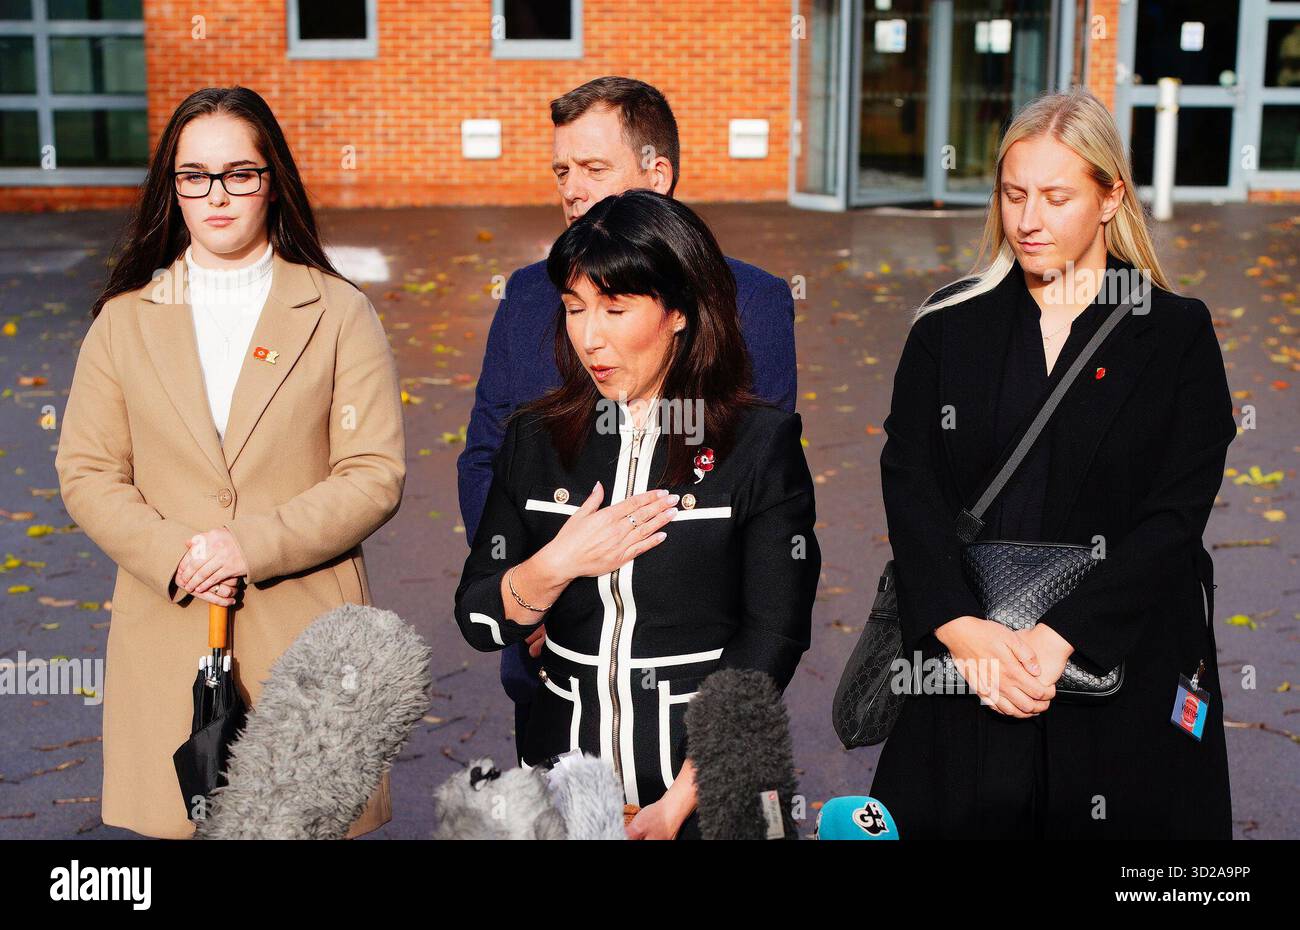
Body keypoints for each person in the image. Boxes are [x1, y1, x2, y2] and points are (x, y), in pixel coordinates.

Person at [870, 88, 1235, 839]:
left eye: (1056, 196)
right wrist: (958, 627)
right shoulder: (947, 329)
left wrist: (1061, 634)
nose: (1028, 220)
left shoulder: (1176, 335)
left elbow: (1175, 516)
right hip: (973, 665)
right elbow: (911, 487)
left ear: (1110, 198)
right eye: (1013, 194)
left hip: (1123, 666)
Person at [55, 86, 405, 839]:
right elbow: (87, 471)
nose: (216, 195)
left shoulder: (339, 312)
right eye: (194, 176)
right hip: (169, 623)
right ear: (171, 187)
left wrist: (251, 545)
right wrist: (175, 556)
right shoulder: (123, 321)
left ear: (272, 180)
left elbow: (374, 471)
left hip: (304, 630)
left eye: (239, 174)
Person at [453, 189, 820, 839]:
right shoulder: (533, 439)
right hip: (561, 787)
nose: (589, 336)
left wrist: (687, 793)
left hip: (710, 791)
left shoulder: (758, 443)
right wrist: (557, 563)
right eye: (574, 308)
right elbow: (480, 618)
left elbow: (774, 634)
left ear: (680, 310)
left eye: (615, 308)